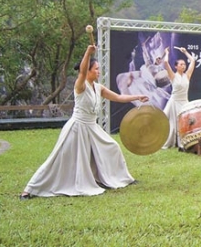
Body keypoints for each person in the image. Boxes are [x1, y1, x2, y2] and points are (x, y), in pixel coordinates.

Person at [19, 45, 149, 200]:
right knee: (58, 158)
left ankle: (121, 178)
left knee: (112, 147)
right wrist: (88, 52)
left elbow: (118, 98)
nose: (98, 71)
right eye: (96, 69)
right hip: (77, 127)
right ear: (88, 70)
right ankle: (29, 189)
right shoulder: (80, 85)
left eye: (99, 69)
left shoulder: (99, 88)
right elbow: (81, 71)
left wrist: (137, 97)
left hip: (92, 127)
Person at [161, 46, 196, 149]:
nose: (183, 66)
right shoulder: (173, 76)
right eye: (181, 64)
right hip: (174, 102)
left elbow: (193, 60)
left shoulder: (187, 75)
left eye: (184, 64)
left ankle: (185, 141)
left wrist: (185, 52)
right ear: (176, 67)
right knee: (167, 120)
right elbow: (166, 63)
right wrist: (166, 52)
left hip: (184, 102)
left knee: (185, 122)